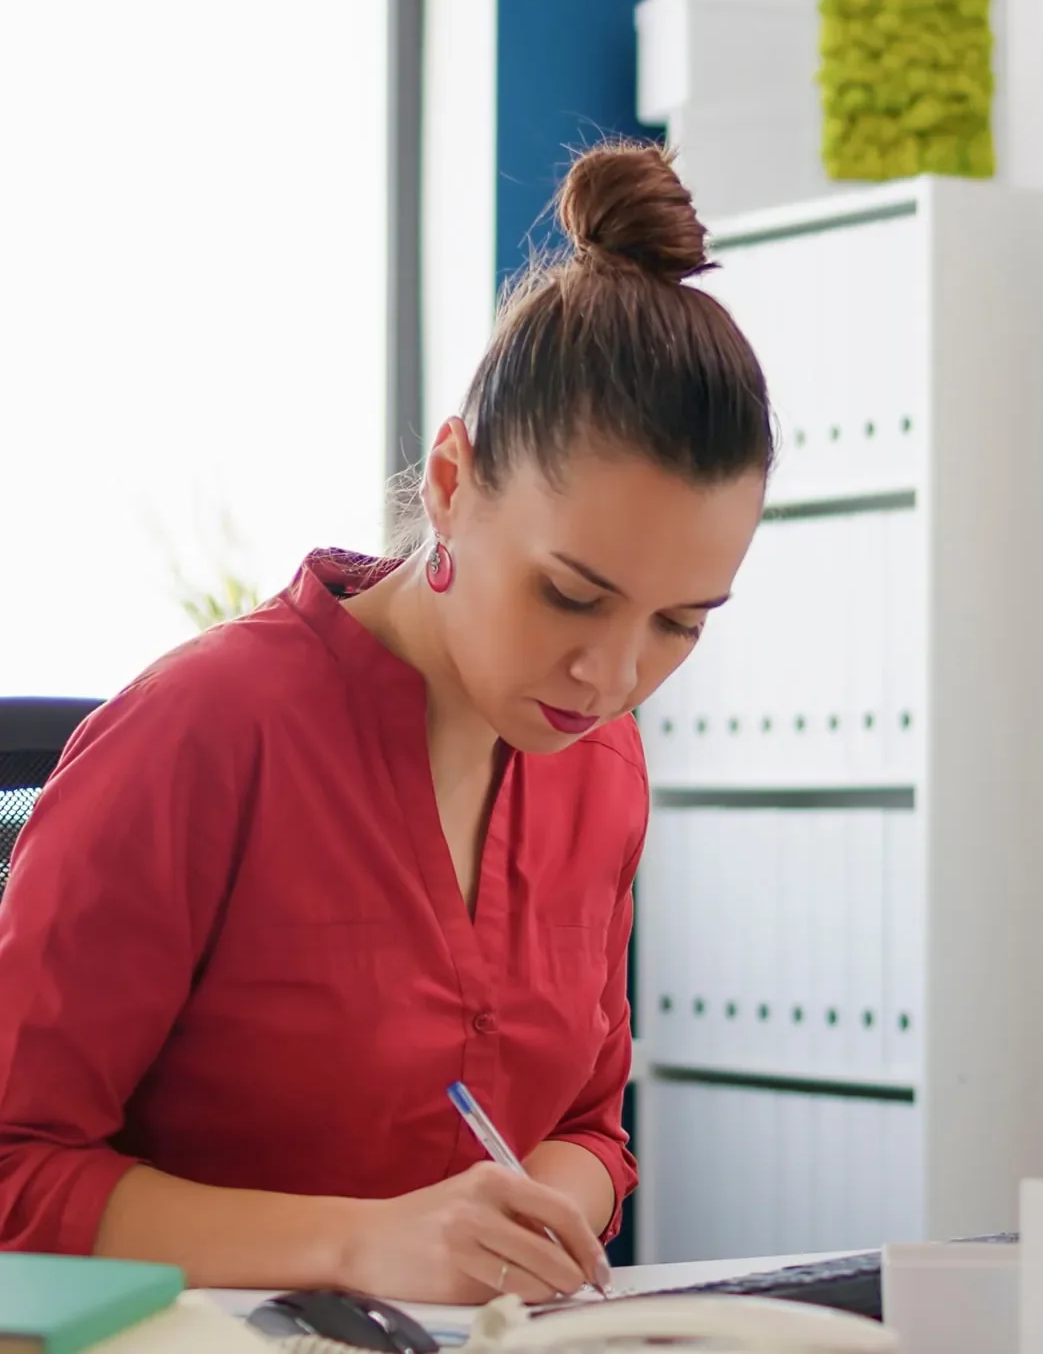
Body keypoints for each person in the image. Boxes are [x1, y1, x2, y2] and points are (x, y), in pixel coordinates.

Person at [0, 142, 772, 1305]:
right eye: (572, 593)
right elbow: (15, 1173)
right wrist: (362, 1245)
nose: (611, 675)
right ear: (453, 481)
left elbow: (589, 1131)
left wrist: (535, 1218)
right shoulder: (204, 736)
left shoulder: (599, 764)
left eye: (680, 625)